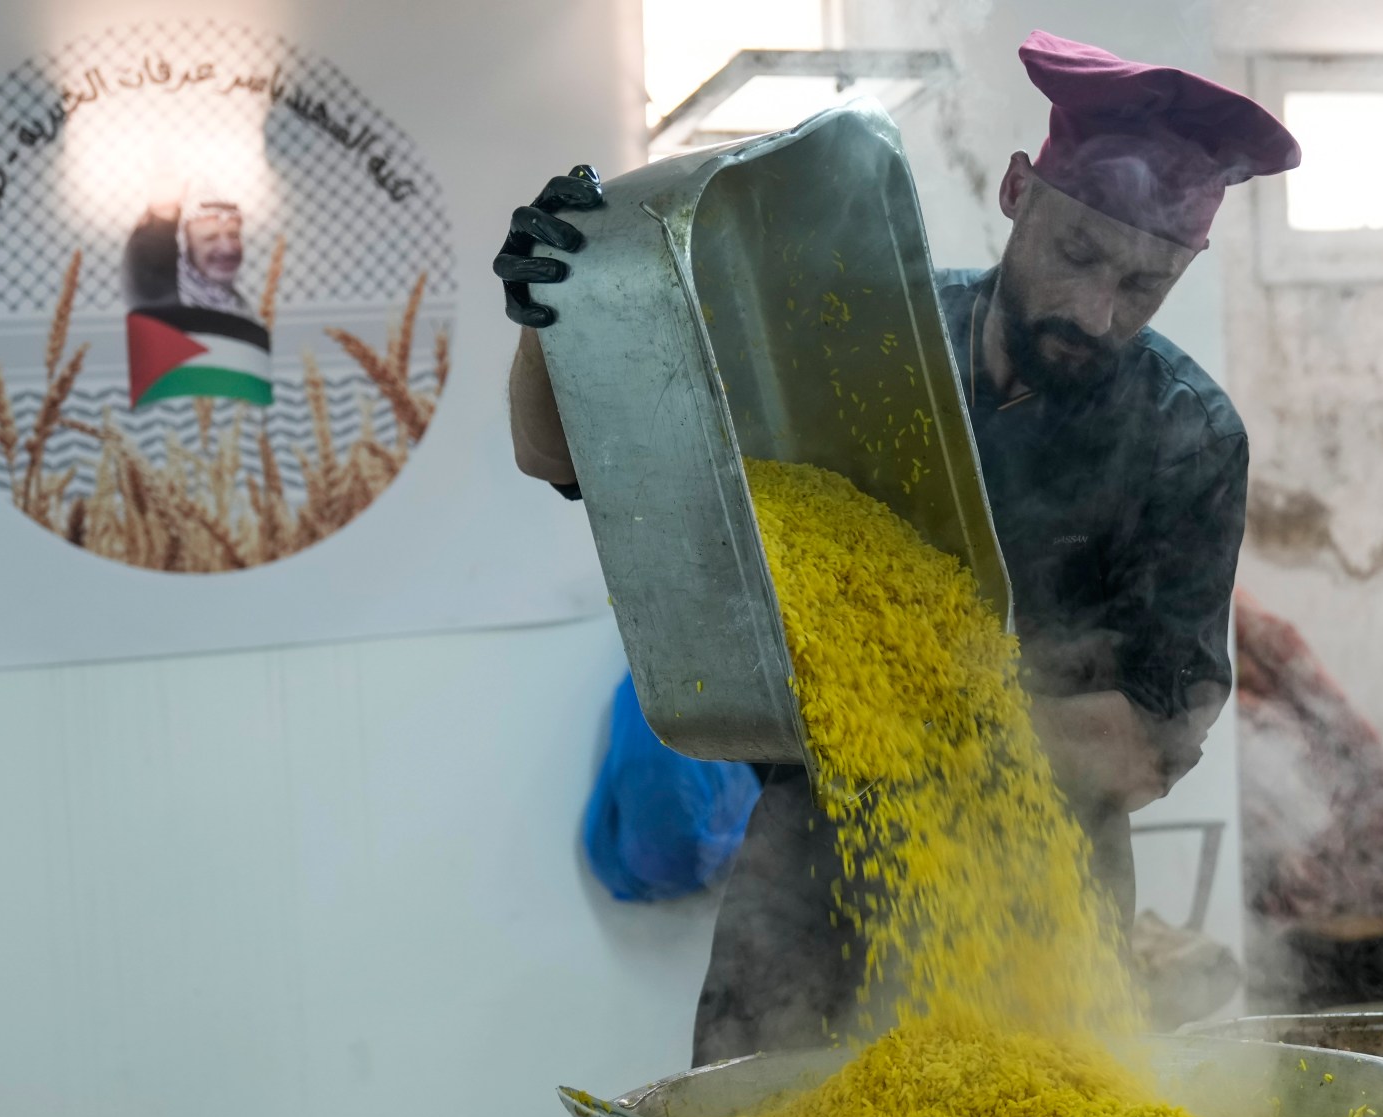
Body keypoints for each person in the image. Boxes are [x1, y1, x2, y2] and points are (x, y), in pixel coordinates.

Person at [499, 32, 1300, 1064]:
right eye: (1080, 256)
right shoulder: (866, 334)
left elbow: (1150, 739)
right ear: (1019, 193)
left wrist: (915, 710)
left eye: (1143, 286)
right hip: (807, 865)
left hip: (1038, 890)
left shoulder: (1184, 433)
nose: (1096, 312)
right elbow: (555, 456)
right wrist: (554, 311)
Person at [124, 180, 250, 316]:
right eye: (210, 238)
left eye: (234, 235)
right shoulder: (164, 304)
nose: (228, 249)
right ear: (185, 248)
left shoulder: (238, 304)